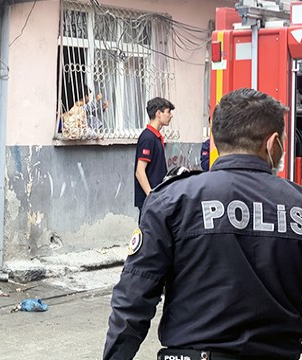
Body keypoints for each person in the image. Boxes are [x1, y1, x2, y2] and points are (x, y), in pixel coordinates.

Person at [103, 88, 302, 360]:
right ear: (273, 143)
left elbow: (133, 301)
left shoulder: (172, 200)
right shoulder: (297, 204)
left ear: (216, 140)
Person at [134, 97, 175, 220]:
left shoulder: (155, 137)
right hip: (150, 202)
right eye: (168, 112)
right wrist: (151, 196)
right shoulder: (148, 137)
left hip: (157, 199)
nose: (171, 116)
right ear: (158, 113)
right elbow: (140, 171)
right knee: (147, 237)